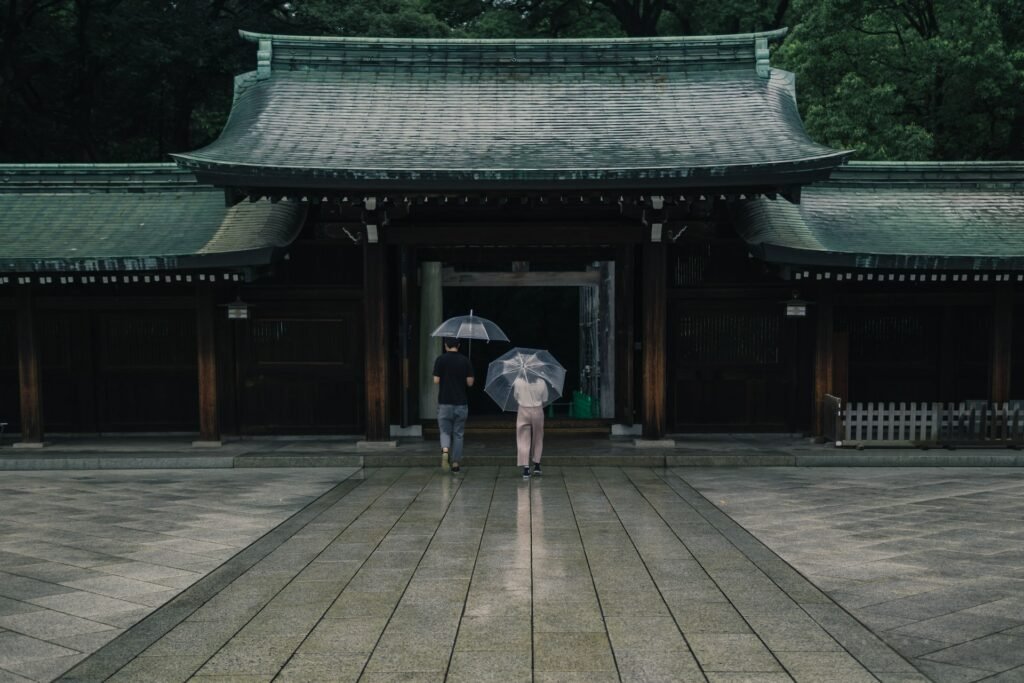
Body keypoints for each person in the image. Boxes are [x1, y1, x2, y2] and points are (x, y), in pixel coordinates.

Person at [433, 337, 474, 473]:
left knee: (445, 431)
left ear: (445, 345)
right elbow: (469, 383)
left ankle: (445, 450)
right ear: (459, 345)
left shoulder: (440, 359)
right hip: (461, 403)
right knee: (458, 434)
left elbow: (436, 380)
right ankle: (456, 463)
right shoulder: (465, 360)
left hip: (444, 402)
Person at [513, 373, 548, 479]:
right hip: (537, 410)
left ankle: (526, 469)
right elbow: (545, 399)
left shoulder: (518, 381)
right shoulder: (542, 382)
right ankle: (537, 465)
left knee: (523, 439)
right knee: (538, 438)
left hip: (523, 410)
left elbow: (516, 396)